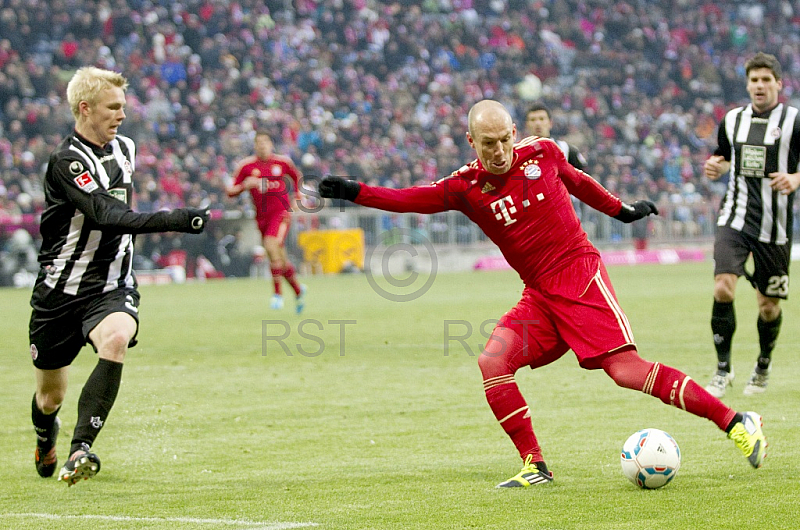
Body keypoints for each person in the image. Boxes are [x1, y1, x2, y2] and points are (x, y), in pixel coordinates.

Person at [319, 100, 767, 487]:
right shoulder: (464, 188)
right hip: (539, 295)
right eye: (487, 143)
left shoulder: (544, 153)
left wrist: (624, 211)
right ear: (471, 142)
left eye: (503, 140)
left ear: (514, 133)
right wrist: (355, 192)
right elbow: (407, 198)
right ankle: (535, 465)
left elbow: (580, 183)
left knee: (625, 372)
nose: (498, 151)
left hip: (579, 278)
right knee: (492, 361)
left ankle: (736, 422)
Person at [29, 67, 209, 486]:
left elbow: (120, 211)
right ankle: (45, 435)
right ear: (85, 108)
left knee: (115, 339)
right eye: (113, 107)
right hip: (59, 292)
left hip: (111, 286)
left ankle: (81, 448)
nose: (122, 115)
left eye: (124, 107)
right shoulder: (66, 161)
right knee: (49, 396)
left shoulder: (124, 147)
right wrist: (177, 218)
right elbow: (107, 215)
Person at [703, 52, 800, 398]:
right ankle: (722, 369)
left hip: (774, 228)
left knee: (768, 307)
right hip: (735, 218)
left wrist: (795, 178)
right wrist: (716, 166)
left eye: (765, 80)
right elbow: (723, 155)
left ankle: (762, 365)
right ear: (747, 84)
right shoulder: (732, 120)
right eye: (754, 80)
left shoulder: (794, 120)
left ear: (778, 84)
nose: (759, 86)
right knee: (723, 287)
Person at [226, 131, 306, 313]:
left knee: (271, 245)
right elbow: (230, 190)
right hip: (261, 217)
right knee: (279, 258)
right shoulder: (246, 166)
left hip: (281, 213)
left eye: (265, 142)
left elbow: (297, 177)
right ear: (255, 146)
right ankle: (298, 290)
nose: (262, 146)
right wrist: (245, 186)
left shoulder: (282, 162)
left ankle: (277, 295)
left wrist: (298, 197)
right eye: (259, 143)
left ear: (271, 144)